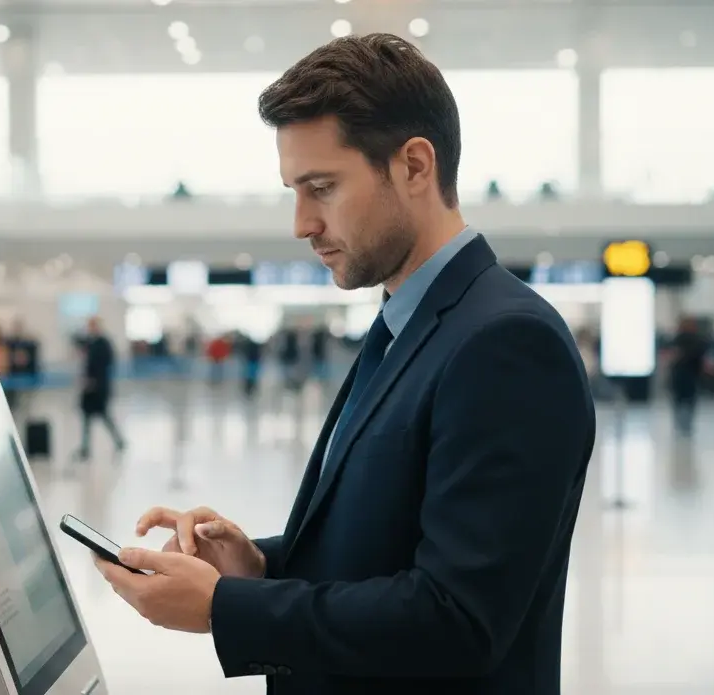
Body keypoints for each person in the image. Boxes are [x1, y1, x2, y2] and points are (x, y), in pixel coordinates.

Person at [92, 33, 596, 695]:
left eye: (321, 187)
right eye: (293, 191)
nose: (302, 223)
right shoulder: (406, 321)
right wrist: (258, 565)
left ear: (415, 166)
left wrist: (225, 609)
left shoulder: (505, 343)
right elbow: (385, 551)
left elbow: (458, 619)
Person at [75, 316, 126, 461]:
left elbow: (105, 365)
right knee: (86, 417)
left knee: (104, 416)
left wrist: (95, 381)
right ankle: (85, 447)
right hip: (89, 387)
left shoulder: (103, 343)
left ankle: (119, 441)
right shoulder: (91, 343)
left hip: (99, 387)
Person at [664, 316, 712, 436]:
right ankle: (686, 425)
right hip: (691, 375)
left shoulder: (676, 340)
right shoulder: (698, 340)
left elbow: (670, 356)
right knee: (689, 400)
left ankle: (680, 425)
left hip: (680, 374)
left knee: (679, 401)